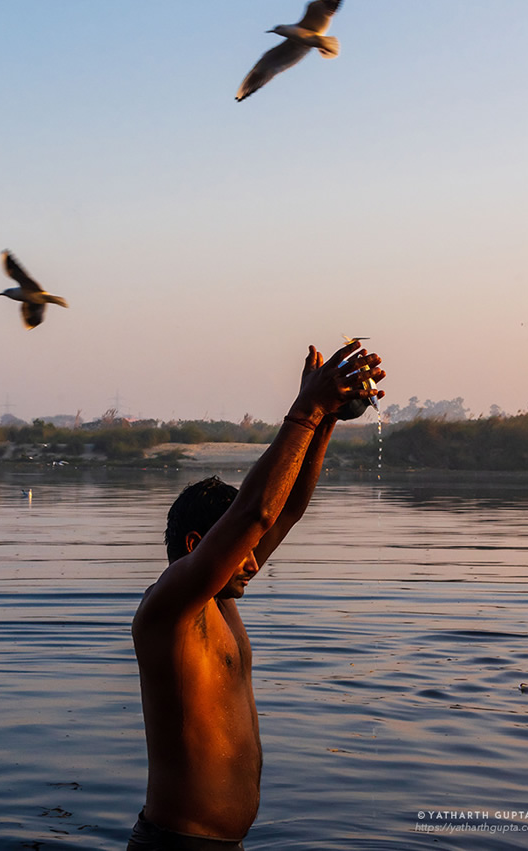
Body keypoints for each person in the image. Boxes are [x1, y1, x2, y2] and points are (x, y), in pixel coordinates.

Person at [128, 340, 385, 850]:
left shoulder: (223, 597)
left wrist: (329, 416)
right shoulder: (169, 610)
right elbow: (255, 515)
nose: (255, 562)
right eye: (243, 551)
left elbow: (282, 511)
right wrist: (306, 409)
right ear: (197, 546)